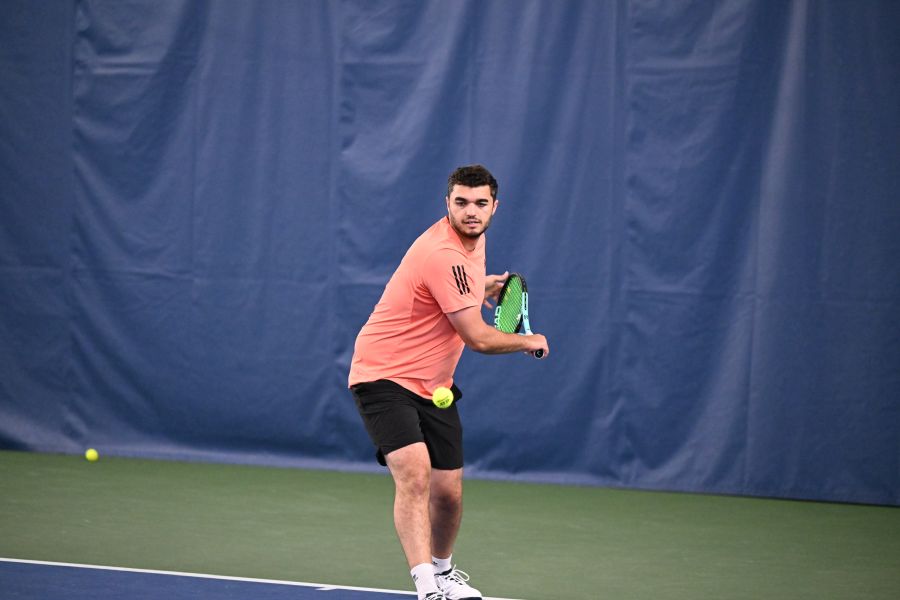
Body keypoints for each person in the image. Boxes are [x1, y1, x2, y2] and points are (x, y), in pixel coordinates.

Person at [348, 165, 549, 600]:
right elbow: (477, 338)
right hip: (383, 373)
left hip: (434, 383)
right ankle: (427, 588)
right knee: (415, 475)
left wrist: (479, 288)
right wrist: (527, 340)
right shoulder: (443, 252)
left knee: (448, 494)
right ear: (447, 204)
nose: (471, 211)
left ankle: (443, 572)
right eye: (461, 202)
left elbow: (452, 289)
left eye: (480, 203)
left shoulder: (473, 243)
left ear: (494, 207)